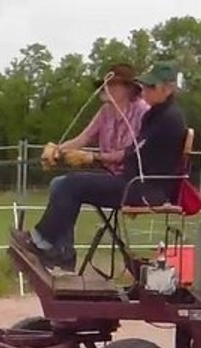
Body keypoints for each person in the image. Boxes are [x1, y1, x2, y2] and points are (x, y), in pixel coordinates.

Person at [16, 60, 189, 272]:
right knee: (64, 184)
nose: (146, 89)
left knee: (72, 185)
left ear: (168, 88)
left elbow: (131, 153)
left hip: (144, 188)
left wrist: (92, 158)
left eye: (151, 86)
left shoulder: (165, 117)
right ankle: (59, 251)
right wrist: (58, 150)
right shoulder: (156, 114)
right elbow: (87, 137)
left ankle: (43, 243)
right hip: (133, 183)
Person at [47, 63, 149, 175]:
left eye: (114, 85)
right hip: (108, 174)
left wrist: (93, 157)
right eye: (106, 84)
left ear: (129, 89)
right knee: (60, 182)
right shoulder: (105, 112)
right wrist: (57, 150)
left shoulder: (142, 110)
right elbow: (84, 138)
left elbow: (134, 152)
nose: (106, 88)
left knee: (68, 185)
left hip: (132, 177)